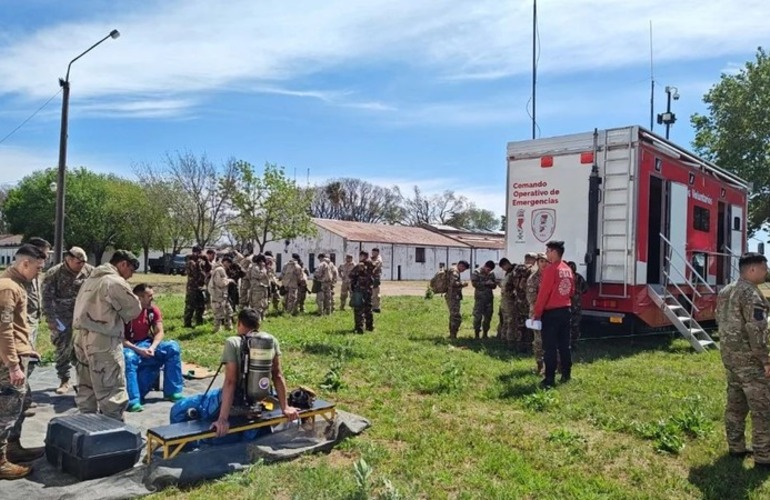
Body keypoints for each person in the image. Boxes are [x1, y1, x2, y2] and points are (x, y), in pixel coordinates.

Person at [171, 308, 299, 440]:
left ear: (239, 323)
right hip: (261, 399)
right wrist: (285, 407)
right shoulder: (271, 340)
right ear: (258, 324)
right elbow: (277, 374)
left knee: (178, 409)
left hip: (233, 400)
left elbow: (230, 381)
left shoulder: (233, 342)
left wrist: (222, 419)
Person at [72, 250, 142, 421]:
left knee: (86, 389)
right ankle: (114, 435)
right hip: (103, 340)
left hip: (81, 338)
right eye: (131, 270)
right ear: (123, 264)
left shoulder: (91, 279)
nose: (130, 276)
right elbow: (134, 310)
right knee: (111, 390)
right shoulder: (113, 281)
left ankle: (86, 428)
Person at [716, 252, 770, 468]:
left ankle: (736, 446)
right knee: (763, 409)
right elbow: (757, 331)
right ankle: (764, 456)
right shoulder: (751, 295)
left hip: (730, 358)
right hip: (750, 361)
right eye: (764, 268)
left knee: (736, 405)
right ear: (752, 269)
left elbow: (720, 321)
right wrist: (766, 360)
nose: (767, 272)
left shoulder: (725, 291)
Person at [0, 245, 47, 479]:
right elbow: (4, 329)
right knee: (4, 411)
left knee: (16, 407)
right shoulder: (8, 287)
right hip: (7, 363)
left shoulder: (17, 285)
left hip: (17, 355)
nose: (39, 273)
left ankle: (12, 448)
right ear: (24, 264)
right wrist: (13, 364)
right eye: (38, 268)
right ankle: (0, 462)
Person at [123, 284, 184, 412]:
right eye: (149, 296)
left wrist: (153, 347)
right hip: (129, 346)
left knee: (172, 347)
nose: (152, 298)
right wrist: (138, 350)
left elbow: (159, 332)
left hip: (147, 343)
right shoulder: (124, 313)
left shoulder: (152, 311)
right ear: (139, 298)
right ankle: (133, 400)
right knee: (129, 358)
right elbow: (119, 338)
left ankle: (172, 391)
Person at [42, 246, 94, 395]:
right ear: (69, 259)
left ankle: (84, 381)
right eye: (79, 262)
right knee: (63, 347)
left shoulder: (90, 272)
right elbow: (46, 298)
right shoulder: (54, 273)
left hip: (83, 316)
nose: (82, 265)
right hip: (61, 317)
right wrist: (51, 319)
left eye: (84, 262)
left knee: (84, 348)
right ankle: (64, 379)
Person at [532, 241, 574, 388]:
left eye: (548, 251)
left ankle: (549, 378)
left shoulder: (551, 270)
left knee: (549, 346)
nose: (547, 253)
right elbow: (571, 291)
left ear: (554, 252)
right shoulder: (567, 269)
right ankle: (566, 374)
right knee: (564, 345)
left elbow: (543, 293)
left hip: (552, 313)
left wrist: (537, 313)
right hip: (566, 310)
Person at [21, 237, 50, 417]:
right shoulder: (21, 277)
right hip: (23, 327)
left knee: (28, 365)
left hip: (33, 324)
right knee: (22, 365)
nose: (45, 260)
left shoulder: (36, 275)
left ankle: (24, 400)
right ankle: (20, 401)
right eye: (44, 255)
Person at [526, 253, 549, 375]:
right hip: (537, 313)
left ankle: (552, 365)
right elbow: (532, 298)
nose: (544, 264)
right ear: (537, 263)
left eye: (546, 261)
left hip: (551, 312)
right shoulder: (533, 278)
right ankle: (540, 364)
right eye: (541, 261)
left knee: (551, 339)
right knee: (539, 340)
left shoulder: (551, 276)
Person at [511, 252, 536, 352]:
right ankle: (528, 346)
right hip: (527, 300)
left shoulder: (516, 269)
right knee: (529, 323)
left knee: (519, 324)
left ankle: (518, 345)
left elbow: (511, 283)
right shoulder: (531, 270)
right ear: (533, 259)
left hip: (518, 299)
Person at [349, 251, 375, 333]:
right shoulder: (372, 265)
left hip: (360, 289)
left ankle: (359, 328)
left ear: (362, 256)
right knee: (368, 308)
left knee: (358, 309)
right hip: (369, 289)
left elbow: (351, 275)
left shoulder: (360, 265)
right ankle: (370, 326)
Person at [471, 260, 498, 339]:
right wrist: (486, 283)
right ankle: (476, 334)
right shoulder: (477, 272)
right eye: (488, 269)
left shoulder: (491, 274)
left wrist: (492, 284)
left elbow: (494, 286)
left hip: (489, 298)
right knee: (478, 316)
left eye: (490, 270)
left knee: (488, 317)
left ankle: (485, 333)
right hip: (480, 298)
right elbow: (474, 284)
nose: (488, 271)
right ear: (485, 266)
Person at [209, 256, 235, 333]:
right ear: (225, 262)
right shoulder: (219, 270)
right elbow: (220, 283)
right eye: (229, 263)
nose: (229, 266)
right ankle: (217, 329)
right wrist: (229, 280)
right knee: (218, 313)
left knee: (229, 311)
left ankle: (228, 327)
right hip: (218, 295)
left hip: (223, 295)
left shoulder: (220, 269)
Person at [567, 261, 588, 350]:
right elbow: (585, 289)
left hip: (569, 306)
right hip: (576, 305)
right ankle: (573, 344)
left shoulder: (566, 278)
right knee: (574, 326)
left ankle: (571, 344)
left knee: (570, 326)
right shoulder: (579, 277)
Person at [183, 246, 206, 328]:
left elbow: (207, 269)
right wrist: (200, 265)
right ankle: (187, 324)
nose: (201, 254)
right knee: (190, 306)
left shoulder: (199, 261)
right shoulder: (191, 262)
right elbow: (197, 274)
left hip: (199, 287)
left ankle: (199, 322)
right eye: (200, 252)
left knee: (201, 306)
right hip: (192, 288)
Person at [446, 260, 470, 339]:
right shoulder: (455, 272)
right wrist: (463, 284)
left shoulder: (452, 269)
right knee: (456, 316)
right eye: (464, 269)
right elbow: (454, 283)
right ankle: (453, 335)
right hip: (453, 297)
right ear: (460, 265)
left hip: (451, 296)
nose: (463, 271)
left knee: (453, 315)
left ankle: (452, 334)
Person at [497, 258, 515, 342]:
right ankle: (504, 337)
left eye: (503, 267)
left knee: (510, 320)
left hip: (510, 299)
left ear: (506, 264)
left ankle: (509, 339)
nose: (503, 269)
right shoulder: (508, 272)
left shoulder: (514, 272)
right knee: (504, 319)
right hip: (505, 299)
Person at [371, 248, 383, 313]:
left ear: (377, 253)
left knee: (375, 292)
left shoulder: (378, 259)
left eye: (374, 252)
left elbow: (375, 265)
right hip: (372, 277)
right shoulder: (372, 258)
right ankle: (373, 306)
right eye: (372, 252)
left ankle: (376, 307)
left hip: (375, 277)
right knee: (372, 292)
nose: (373, 254)